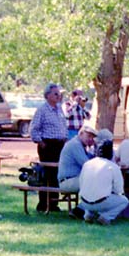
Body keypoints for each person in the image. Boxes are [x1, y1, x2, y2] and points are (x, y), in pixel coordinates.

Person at [28, 82, 68, 212]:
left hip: (60, 145)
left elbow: (63, 126)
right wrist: (41, 143)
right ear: (48, 95)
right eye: (56, 94)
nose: (58, 96)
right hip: (48, 145)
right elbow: (34, 129)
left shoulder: (59, 109)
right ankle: (43, 204)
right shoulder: (42, 110)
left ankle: (54, 203)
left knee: (57, 173)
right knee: (47, 174)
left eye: (59, 94)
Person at [78, 136, 129, 225]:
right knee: (124, 201)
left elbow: (81, 183)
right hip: (101, 203)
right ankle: (106, 217)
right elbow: (119, 190)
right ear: (111, 153)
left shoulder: (87, 164)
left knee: (91, 193)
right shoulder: (113, 166)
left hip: (84, 203)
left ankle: (88, 214)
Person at [57, 124, 96, 194]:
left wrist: (94, 147)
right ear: (81, 134)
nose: (90, 139)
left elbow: (93, 158)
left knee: (98, 181)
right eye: (89, 136)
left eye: (92, 137)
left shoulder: (80, 145)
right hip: (68, 181)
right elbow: (87, 164)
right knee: (96, 182)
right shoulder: (75, 144)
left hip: (75, 179)